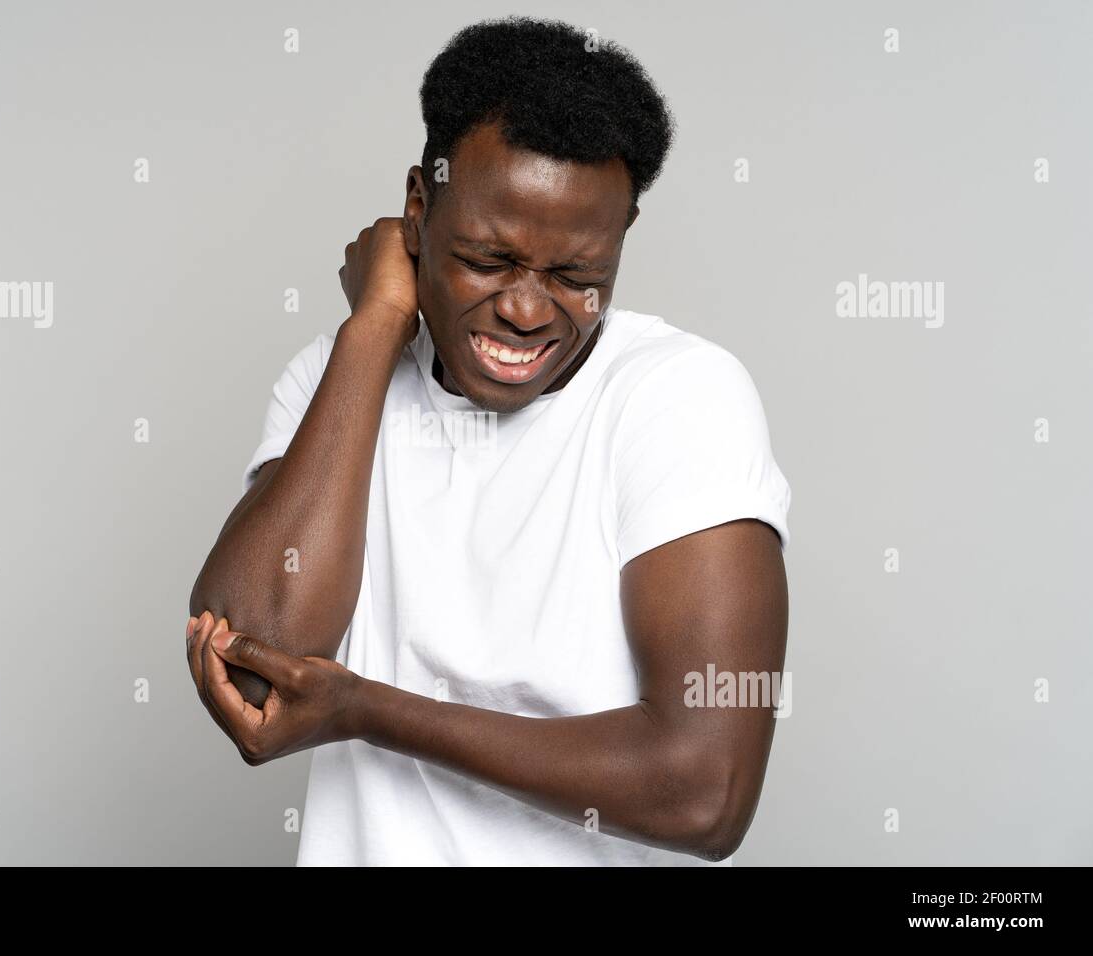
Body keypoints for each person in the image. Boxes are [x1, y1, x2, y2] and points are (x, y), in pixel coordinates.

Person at [186, 16, 792, 866]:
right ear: (418, 206)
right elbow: (253, 670)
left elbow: (704, 792)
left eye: (578, 277)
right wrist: (376, 329)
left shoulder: (676, 399)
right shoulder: (340, 374)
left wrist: (366, 709)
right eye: (487, 258)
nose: (528, 309)